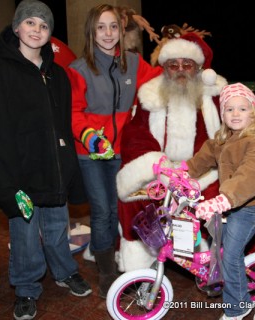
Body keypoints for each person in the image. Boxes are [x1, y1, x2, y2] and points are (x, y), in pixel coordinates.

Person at [0, 1, 92, 319]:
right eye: (30, 23)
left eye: (43, 25)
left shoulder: (57, 75)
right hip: (21, 177)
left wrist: (69, 169)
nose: (36, 29)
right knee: (25, 236)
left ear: (50, 34)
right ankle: (26, 288)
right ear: (16, 28)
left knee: (57, 229)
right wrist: (7, 184)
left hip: (53, 174)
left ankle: (65, 272)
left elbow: (63, 127)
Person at [67, 4, 162, 298]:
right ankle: (107, 270)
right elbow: (74, 111)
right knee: (102, 210)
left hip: (122, 150)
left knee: (119, 208)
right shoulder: (78, 69)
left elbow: (159, 81)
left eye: (113, 27)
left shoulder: (133, 63)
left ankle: (120, 257)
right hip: (90, 152)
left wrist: (183, 63)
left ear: (121, 31)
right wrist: (88, 136)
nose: (108, 33)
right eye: (101, 27)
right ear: (91, 32)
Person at [116, 32, 227, 272]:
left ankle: (203, 257)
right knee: (134, 199)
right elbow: (135, 135)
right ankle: (139, 264)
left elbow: (228, 136)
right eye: (172, 65)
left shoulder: (216, 97)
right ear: (164, 68)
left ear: (198, 68)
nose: (180, 70)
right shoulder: (149, 94)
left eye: (187, 65)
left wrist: (192, 170)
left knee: (211, 200)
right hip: (160, 168)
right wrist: (160, 165)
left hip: (203, 169)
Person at [187, 83, 255, 320]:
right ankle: (224, 278)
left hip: (249, 206)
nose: (235, 114)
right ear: (222, 114)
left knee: (230, 254)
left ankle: (238, 307)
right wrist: (182, 174)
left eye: (242, 109)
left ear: (253, 112)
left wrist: (222, 200)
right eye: (229, 109)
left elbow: (251, 174)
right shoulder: (222, 139)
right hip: (229, 204)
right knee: (219, 245)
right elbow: (202, 159)